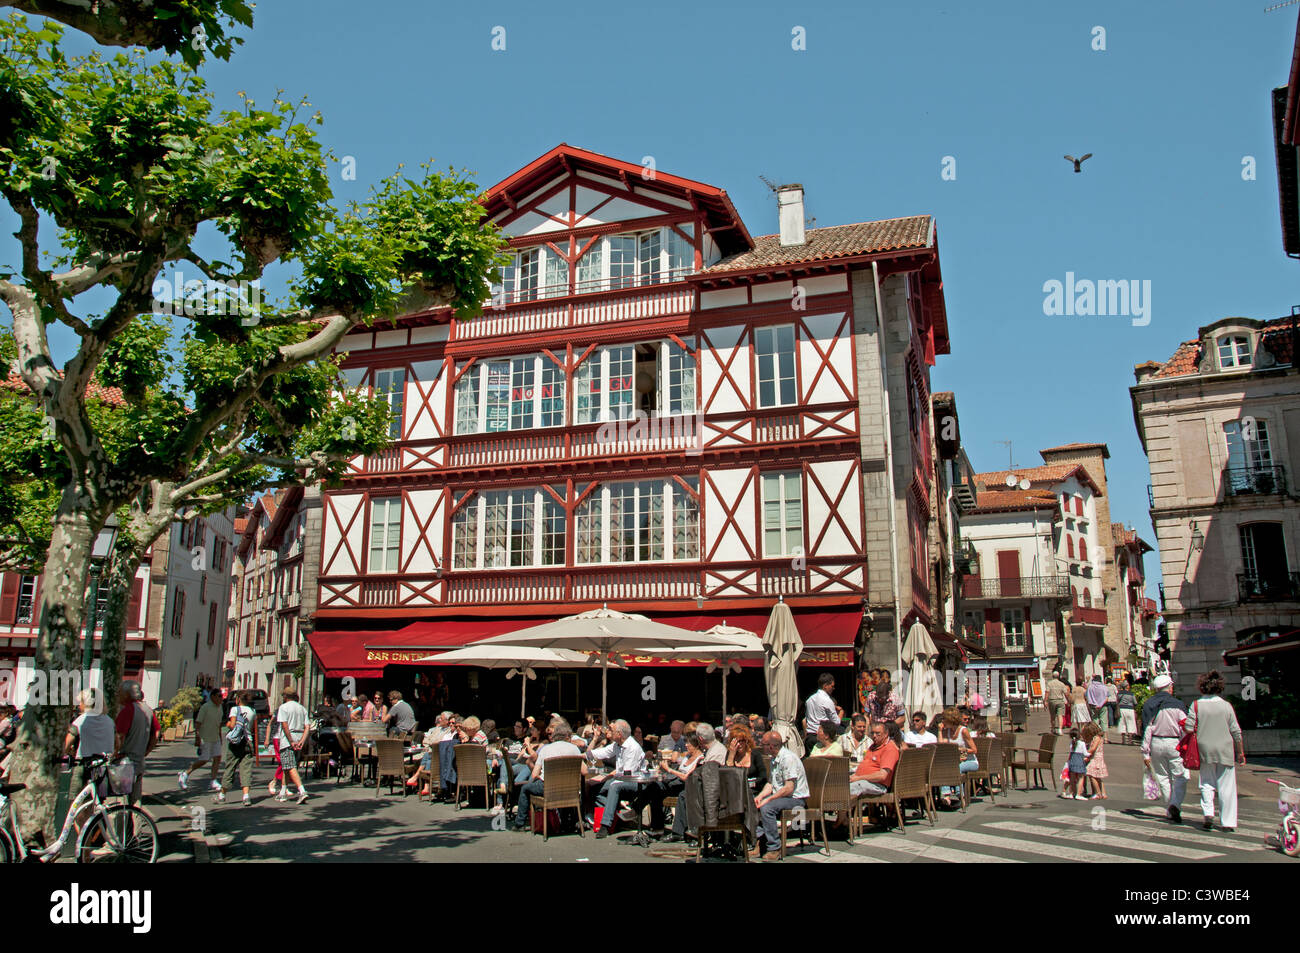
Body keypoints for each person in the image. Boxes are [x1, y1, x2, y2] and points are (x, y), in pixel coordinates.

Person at [1184, 670, 1245, 833]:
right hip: (1225, 748)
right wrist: (1240, 752)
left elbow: (1189, 728)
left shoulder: (1196, 705)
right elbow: (1236, 731)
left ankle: (1208, 813)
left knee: (1206, 782)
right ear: (1220, 687)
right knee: (1227, 786)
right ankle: (1228, 822)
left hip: (1204, 749)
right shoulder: (1226, 706)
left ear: (1202, 687)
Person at [511, 722, 586, 831]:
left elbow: (534, 774)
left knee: (525, 789)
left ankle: (519, 824)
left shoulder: (546, 749)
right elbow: (584, 771)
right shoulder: (574, 749)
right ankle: (571, 821)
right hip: (569, 789)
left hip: (548, 788)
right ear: (567, 736)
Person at [752, 730, 808, 861]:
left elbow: (789, 788)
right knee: (752, 804)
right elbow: (771, 784)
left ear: (771, 746)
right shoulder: (774, 759)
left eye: (763, 744)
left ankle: (774, 848)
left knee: (767, 808)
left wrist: (768, 800)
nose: (761, 746)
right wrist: (760, 797)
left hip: (795, 799)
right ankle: (761, 842)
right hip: (783, 797)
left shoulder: (788, 759)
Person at [1141, 673, 1189, 823]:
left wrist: (1145, 753)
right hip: (1175, 743)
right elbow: (1184, 727)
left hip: (1156, 742)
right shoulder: (1178, 704)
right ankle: (1175, 804)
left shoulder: (1149, 704)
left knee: (1162, 777)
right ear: (1169, 687)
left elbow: (1147, 729)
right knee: (1179, 776)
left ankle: (1170, 807)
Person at [588, 718, 645, 838]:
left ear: (619, 734)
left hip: (635, 781)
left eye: (611, 730)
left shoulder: (632, 748)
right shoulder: (617, 745)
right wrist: (583, 755)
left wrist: (607, 777)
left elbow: (627, 774)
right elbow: (602, 753)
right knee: (596, 789)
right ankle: (615, 817)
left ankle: (605, 825)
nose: (609, 731)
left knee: (614, 786)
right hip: (621, 778)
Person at [647, 730, 705, 842]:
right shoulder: (687, 757)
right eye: (686, 743)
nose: (686, 745)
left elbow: (688, 777)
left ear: (696, 744)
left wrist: (669, 770)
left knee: (682, 796)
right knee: (654, 788)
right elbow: (677, 768)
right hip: (675, 783)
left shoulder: (700, 759)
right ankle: (657, 826)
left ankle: (677, 832)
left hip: (688, 786)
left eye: (689, 743)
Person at [112, 680, 159, 806]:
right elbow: (156, 734)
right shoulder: (148, 710)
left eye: (120, 692)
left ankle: (121, 826)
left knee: (120, 802)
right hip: (139, 760)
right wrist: (146, 751)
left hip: (125, 761)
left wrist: (114, 753)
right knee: (136, 800)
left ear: (127, 695)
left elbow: (120, 736)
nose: (118, 695)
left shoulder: (128, 710)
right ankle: (136, 824)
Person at [65, 689, 114, 799]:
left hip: (84, 765)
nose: (79, 706)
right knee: (97, 801)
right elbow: (117, 743)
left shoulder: (80, 721)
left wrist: (70, 752)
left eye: (81, 702)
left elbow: (67, 744)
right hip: (102, 766)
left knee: (77, 802)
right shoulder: (109, 721)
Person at [179, 689, 226, 792]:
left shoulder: (220, 708)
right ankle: (185, 773)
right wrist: (197, 737)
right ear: (212, 696)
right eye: (219, 696)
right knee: (204, 759)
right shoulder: (205, 707)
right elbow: (198, 723)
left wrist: (220, 737)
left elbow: (218, 724)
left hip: (215, 737)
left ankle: (213, 780)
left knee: (217, 758)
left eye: (221, 696)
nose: (220, 698)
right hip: (206, 737)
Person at [217, 690, 256, 805]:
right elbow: (251, 728)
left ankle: (222, 795)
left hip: (235, 742)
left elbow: (233, 725)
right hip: (248, 741)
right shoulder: (252, 711)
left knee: (230, 767)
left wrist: (228, 724)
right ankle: (246, 796)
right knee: (246, 769)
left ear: (238, 699)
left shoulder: (235, 709)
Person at [274, 689, 311, 804]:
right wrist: (302, 740)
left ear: (285, 696)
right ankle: (283, 792)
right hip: (299, 737)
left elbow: (284, 725)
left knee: (290, 766)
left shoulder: (283, 708)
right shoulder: (302, 708)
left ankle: (302, 790)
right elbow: (307, 726)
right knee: (288, 766)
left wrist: (290, 740)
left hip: (288, 740)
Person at [936, 707, 977, 807]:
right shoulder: (948, 731)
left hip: (970, 761)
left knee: (955, 768)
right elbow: (941, 746)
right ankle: (946, 795)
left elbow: (974, 750)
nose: (943, 721)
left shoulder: (963, 731)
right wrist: (940, 731)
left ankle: (960, 795)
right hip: (956, 761)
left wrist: (961, 751)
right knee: (944, 767)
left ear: (950, 719)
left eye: (944, 719)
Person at [849, 720, 900, 799]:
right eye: (872, 733)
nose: (874, 736)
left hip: (877, 785)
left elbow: (882, 776)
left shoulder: (889, 749)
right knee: (838, 783)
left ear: (886, 734)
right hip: (862, 780)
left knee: (847, 789)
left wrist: (858, 778)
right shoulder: (874, 746)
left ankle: (839, 809)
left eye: (878, 733)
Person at [804, 673, 842, 753]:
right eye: (832, 686)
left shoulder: (809, 700)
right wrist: (841, 712)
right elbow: (836, 722)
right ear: (825, 686)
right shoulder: (827, 701)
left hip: (809, 737)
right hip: (822, 738)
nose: (833, 688)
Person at [1082, 721, 1108, 799]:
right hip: (1097, 758)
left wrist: (1086, 752)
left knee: (1091, 775)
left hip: (1096, 759)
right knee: (1098, 777)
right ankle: (1103, 793)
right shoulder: (1097, 737)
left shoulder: (1097, 738)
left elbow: (1093, 749)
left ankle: (1098, 793)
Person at [1062, 727, 1087, 799]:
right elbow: (1085, 753)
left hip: (1072, 761)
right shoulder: (1082, 743)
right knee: (1081, 778)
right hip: (1079, 761)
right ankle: (1078, 794)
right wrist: (1090, 754)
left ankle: (1072, 793)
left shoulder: (1071, 743)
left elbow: (1071, 752)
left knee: (1072, 778)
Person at [1116, 680, 1139, 744]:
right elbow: (1135, 702)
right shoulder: (1131, 694)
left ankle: (1123, 740)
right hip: (1130, 709)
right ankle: (1130, 740)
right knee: (1131, 724)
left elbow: (1117, 701)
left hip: (1122, 709)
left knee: (1122, 723)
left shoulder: (1119, 693)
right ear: (1127, 686)